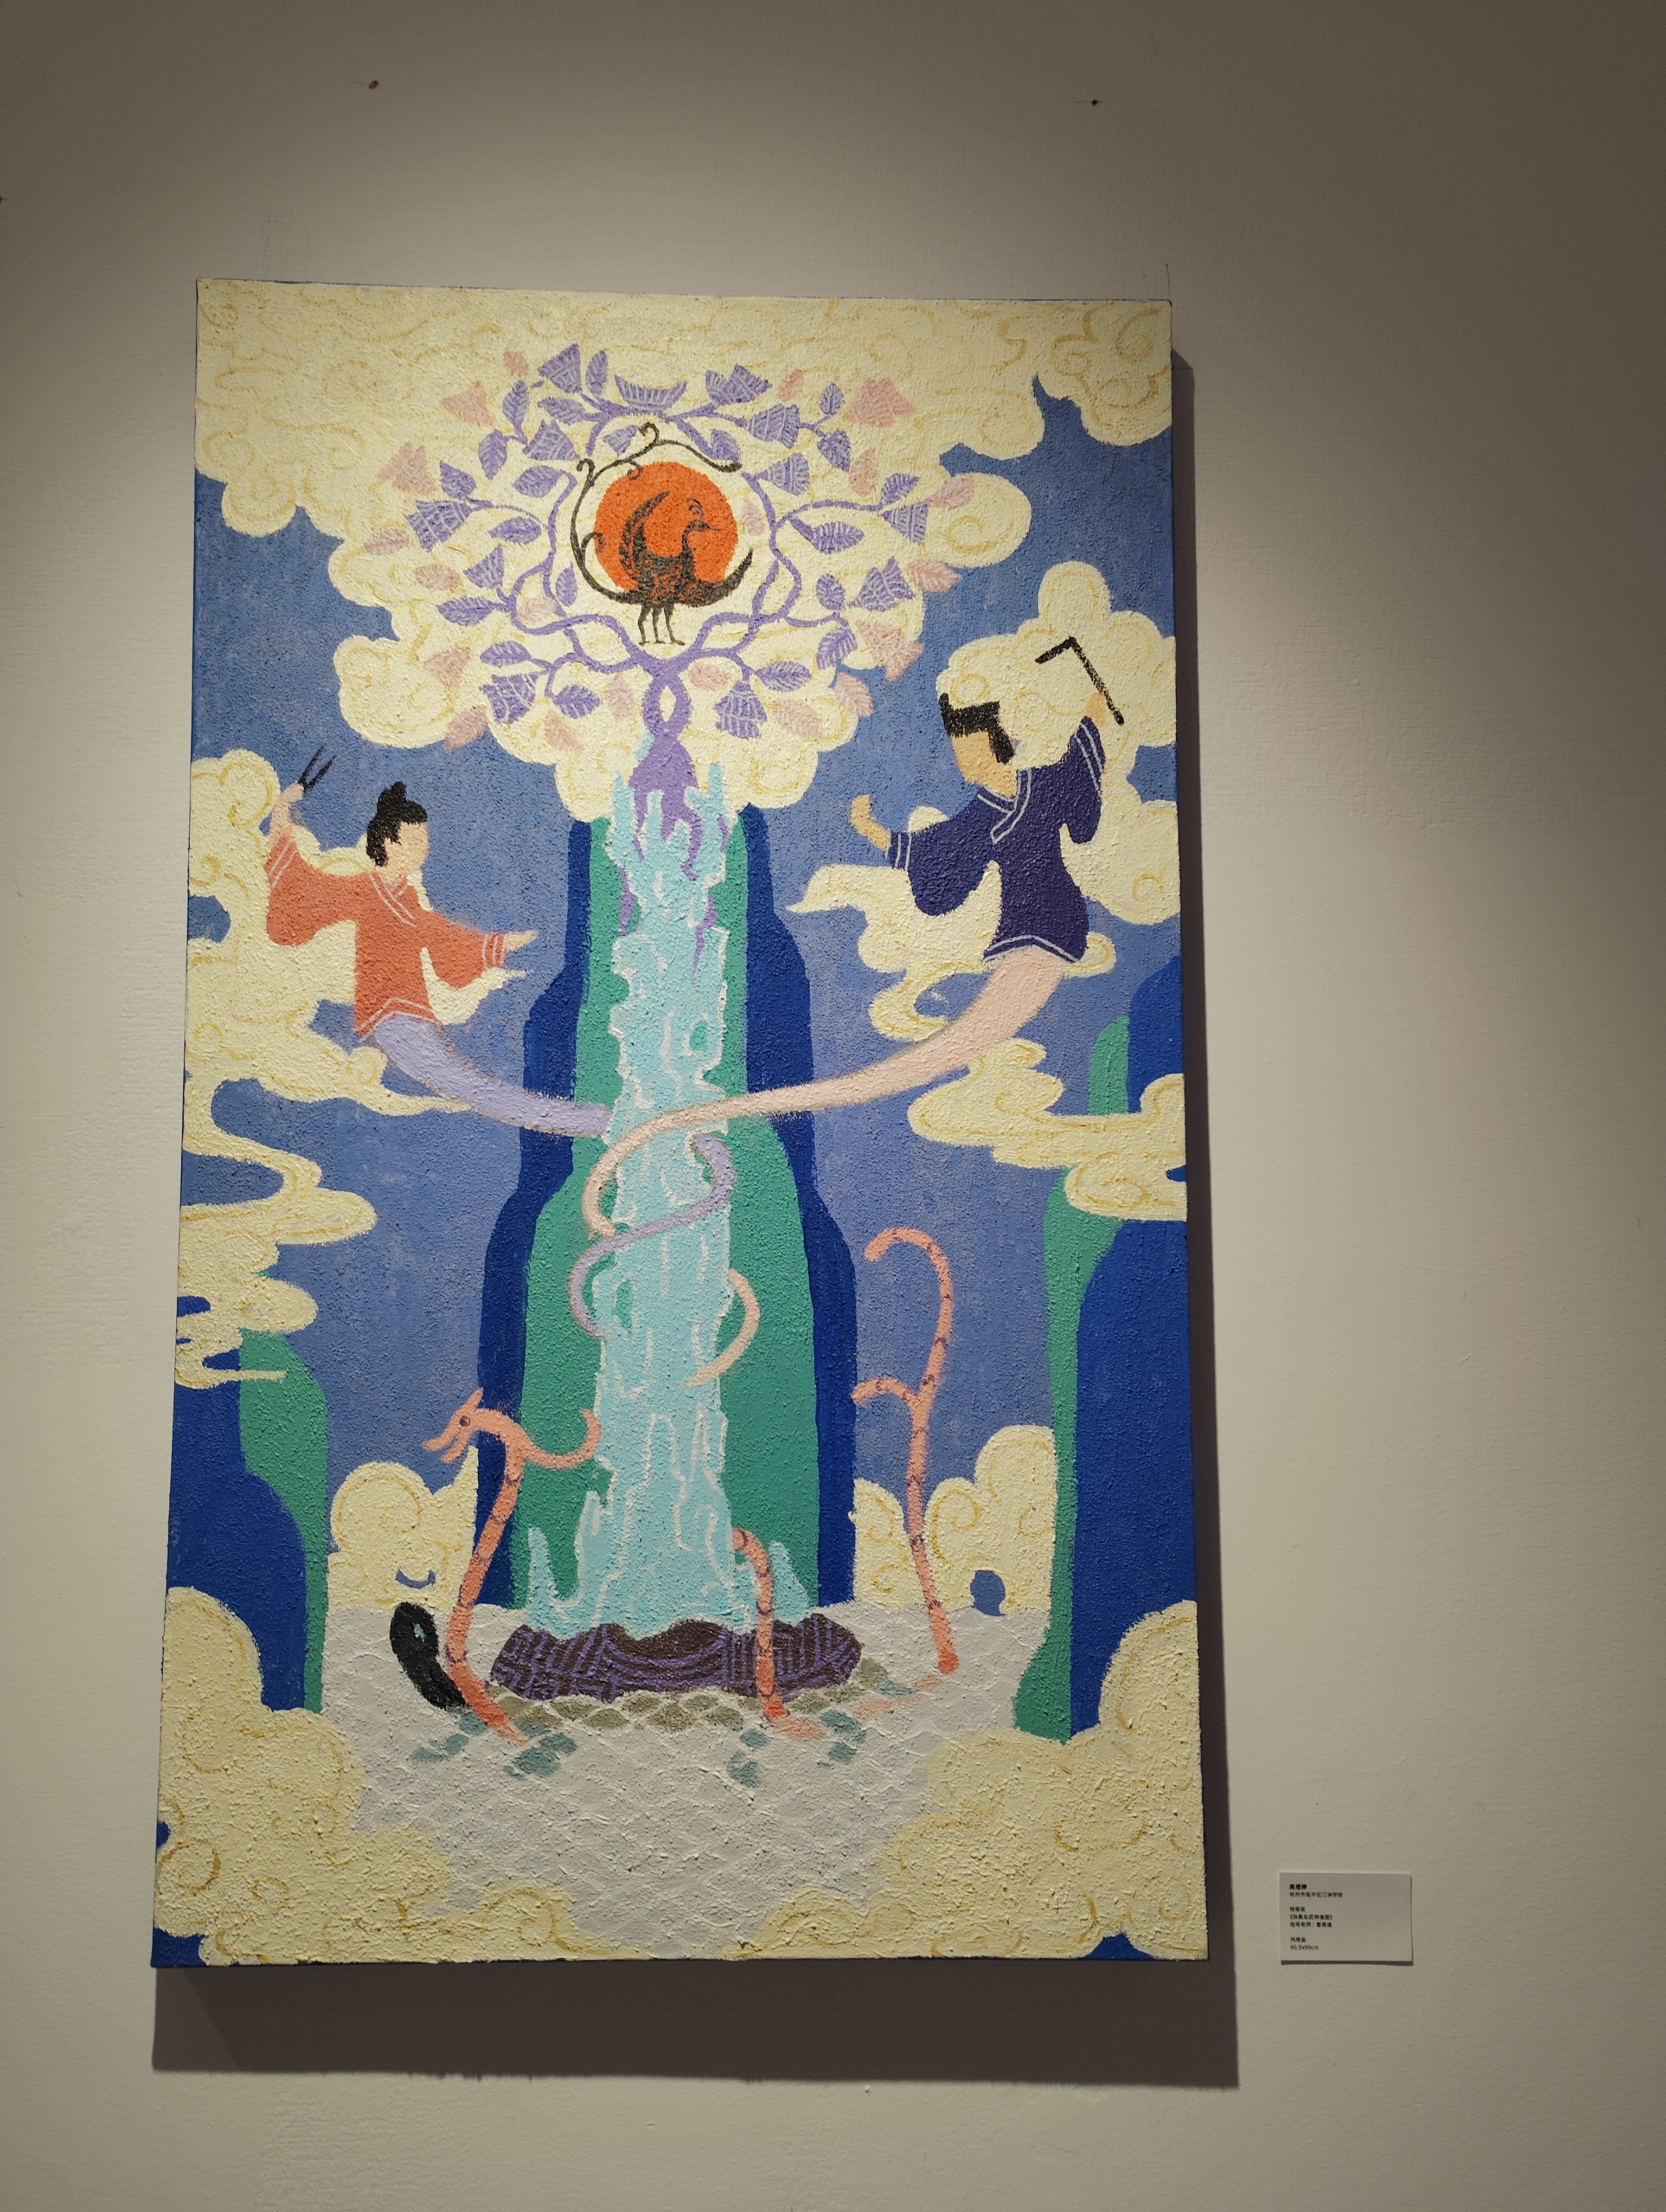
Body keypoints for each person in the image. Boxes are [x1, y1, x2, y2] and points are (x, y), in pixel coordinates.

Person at [264, 778, 607, 1137]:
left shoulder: (408, 901)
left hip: (413, 1021)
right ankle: (589, 1122)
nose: (423, 848)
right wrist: (281, 810)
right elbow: (305, 887)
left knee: (474, 1086)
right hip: (394, 1020)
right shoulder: (364, 890)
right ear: (388, 843)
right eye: (414, 840)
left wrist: (503, 943)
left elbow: (444, 937)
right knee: (475, 1088)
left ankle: (588, 1121)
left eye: (424, 840)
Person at [849, 690, 1107, 965]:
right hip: (1020, 924)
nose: (960, 760)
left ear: (993, 740)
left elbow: (1074, 778)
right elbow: (935, 849)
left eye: (966, 747)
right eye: (957, 749)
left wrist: (1091, 722)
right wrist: (868, 828)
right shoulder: (983, 813)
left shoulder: (1040, 784)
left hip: (1055, 921)